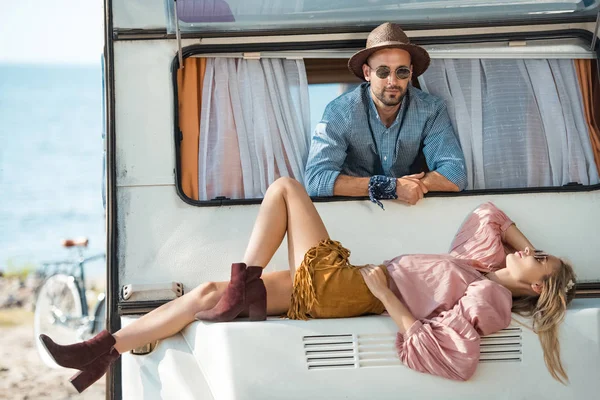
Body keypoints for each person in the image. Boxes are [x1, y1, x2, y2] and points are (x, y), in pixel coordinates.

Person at [39, 177, 576, 392]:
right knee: (200, 295)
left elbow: (453, 358)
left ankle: (236, 291)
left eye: (541, 261)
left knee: (286, 189)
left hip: (351, 289)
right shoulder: (478, 264)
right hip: (342, 288)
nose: (531, 250)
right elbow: (489, 213)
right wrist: (523, 253)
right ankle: (100, 350)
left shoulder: (493, 296)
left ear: (537, 291)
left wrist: (389, 297)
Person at [304, 22, 467, 207]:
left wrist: (407, 187)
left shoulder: (431, 109)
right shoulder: (340, 111)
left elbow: (455, 175)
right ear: (367, 73)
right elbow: (316, 180)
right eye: (383, 71)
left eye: (402, 71)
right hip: (353, 213)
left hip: (412, 213)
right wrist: (391, 187)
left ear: (411, 72)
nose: (392, 81)